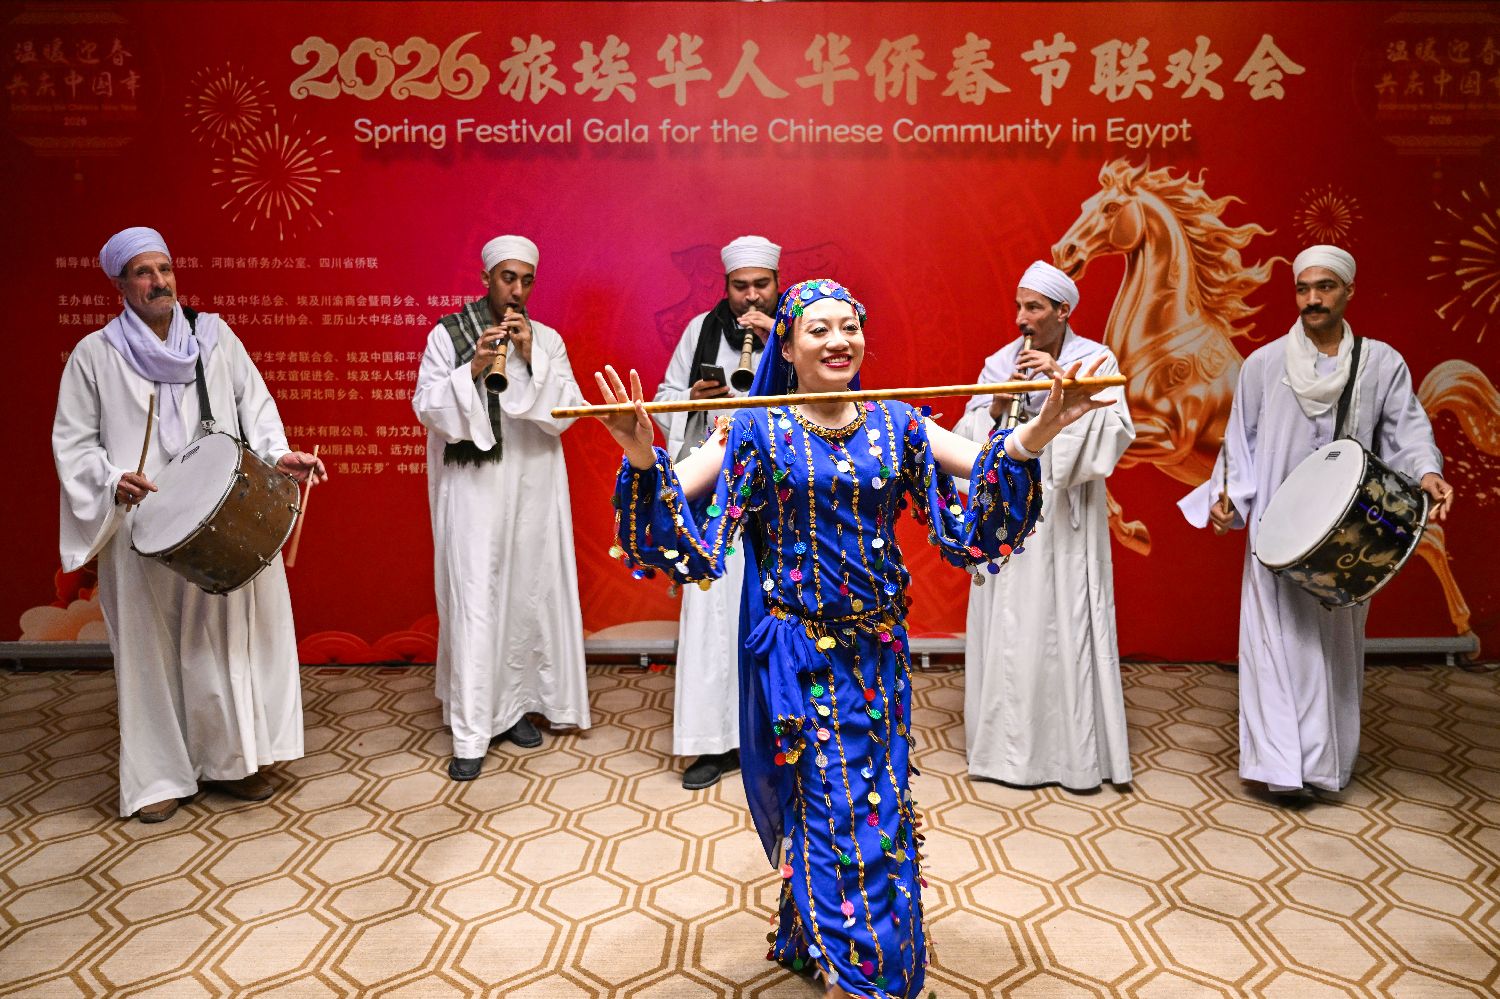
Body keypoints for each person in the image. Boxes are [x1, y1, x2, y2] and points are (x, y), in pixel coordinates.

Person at [591, 278, 1110, 999]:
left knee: (878, 803)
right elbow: (680, 520)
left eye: (850, 327)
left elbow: (983, 479)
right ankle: (864, 976)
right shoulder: (754, 428)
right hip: (800, 659)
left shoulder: (897, 422)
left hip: (878, 655)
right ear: (787, 347)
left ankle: (820, 938)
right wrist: (643, 455)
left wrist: (1043, 427)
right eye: (819, 330)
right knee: (840, 805)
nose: (839, 341)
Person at [52, 226, 325, 823]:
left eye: (165, 269)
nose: (159, 282)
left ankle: (232, 761)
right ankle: (159, 778)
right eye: (143, 273)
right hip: (139, 520)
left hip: (217, 515)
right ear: (121, 285)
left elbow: (256, 408)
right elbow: (73, 444)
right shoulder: (95, 355)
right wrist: (111, 479)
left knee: (222, 638)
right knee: (147, 650)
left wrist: (279, 455)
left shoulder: (214, 336)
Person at [1180, 244, 1454, 796]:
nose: (1312, 299)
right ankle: (1279, 770)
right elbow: (1240, 443)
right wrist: (1227, 496)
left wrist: (1426, 473)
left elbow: (1406, 431)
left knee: (1332, 646)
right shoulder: (1263, 364)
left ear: (1348, 291)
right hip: (1274, 531)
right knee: (1271, 642)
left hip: (1346, 534)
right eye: (1303, 289)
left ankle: (1322, 767)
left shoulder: (1380, 364)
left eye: (1324, 287)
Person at [413, 234, 590, 781]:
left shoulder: (547, 339)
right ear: (486, 278)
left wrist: (532, 357)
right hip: (473, 488)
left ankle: (512, 708)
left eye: (526, 281)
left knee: (524, 593)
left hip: (533, 482)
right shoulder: (448, 334)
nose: (517, 290)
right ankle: (472, 729)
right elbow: (427, 406)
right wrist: (472, 368)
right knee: (476, 596)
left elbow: (567, 411)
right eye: (507, 278)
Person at [953, 261, 1135, 790]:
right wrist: (999, 404)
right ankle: (1003, 753)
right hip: (1009, 519)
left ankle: (1070, 757)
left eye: (1033, 307)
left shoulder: (1096, 359)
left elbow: (1113, 434)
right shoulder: (998, 363)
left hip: (1063, 518)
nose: (1021, 318)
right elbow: (968, 442)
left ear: (1063, 311)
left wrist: (1061, 391)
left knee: (1063, 626)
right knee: (1011, 628)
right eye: (1019, 306)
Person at [652, 235, 778, 789]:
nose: (750, 297)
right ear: (725, 287)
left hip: (779, 493)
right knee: (711, 615)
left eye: (761, 285)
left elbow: (829, 395)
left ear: (777, 284)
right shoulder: (699, 331)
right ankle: (711, 742)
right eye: (740, 286)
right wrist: (693, 403)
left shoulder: (798, 331)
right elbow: (665, 399)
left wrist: (780, 345)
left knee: (777, 613)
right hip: (716, 491)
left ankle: (776, 739)